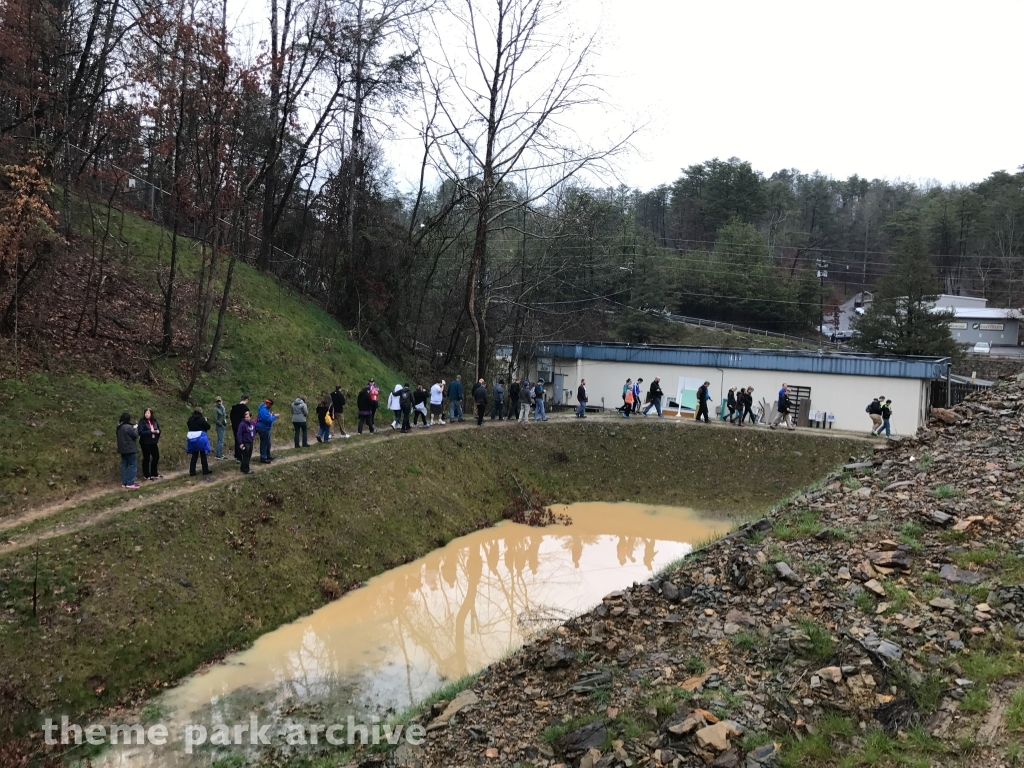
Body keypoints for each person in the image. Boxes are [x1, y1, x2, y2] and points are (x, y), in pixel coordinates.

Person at [186, 406, 213, 476]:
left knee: (194, 455)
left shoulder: (190, 419)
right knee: (203, 454)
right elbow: (208, 426)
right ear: (200, 412)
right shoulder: (201, 419)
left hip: (192, 438)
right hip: (200, 438)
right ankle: (205, 470)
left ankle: (192, 471)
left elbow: (188, 425)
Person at [117, 412, 140, 489]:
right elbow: (135, 435)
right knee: (133, 465)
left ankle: (124, 482)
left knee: (124, 465)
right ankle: (130, 482)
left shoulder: (119, 427)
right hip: (130, 449)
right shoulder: (128, 427)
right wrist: (136, 428)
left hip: (122, 449)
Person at [138, 408, 162, 480]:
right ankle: (146, 474)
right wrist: (150, 432)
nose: (147, 414)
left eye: (148, 413)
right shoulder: (142, 422)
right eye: (146, 413)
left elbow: (158, 428)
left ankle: (154, 472)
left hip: (153, 442)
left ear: (151, 414)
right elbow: (140, 432)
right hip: (145, 442)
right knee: (146, 458)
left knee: (156, 456)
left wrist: (158, 431)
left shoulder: (154, 421)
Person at [256, 399, 279, 463]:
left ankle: (267, 455)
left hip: (266, 428)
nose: (271, 406)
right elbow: (268, 420)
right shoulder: (263, 410)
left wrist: (271, 415)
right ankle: (263, 457)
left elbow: (267, 417)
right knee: (264, 443)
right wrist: (275, 416)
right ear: (268, 404)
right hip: (263, 428)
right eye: (271, 405)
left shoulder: (265, 410)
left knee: (268, 443)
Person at [230, 395, 251, 461]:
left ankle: (237, 455)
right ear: (246, 399)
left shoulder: (234, 407)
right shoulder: (245, 408)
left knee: (237, 440)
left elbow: (231, 417)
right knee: (243, 440)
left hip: (235, 426)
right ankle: (242, 455)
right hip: (242, 426)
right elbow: (247, 418)